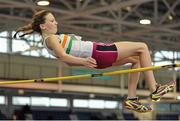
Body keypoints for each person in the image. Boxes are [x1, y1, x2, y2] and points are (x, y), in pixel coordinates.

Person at [14, 10, 176, 113]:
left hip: (97, 57)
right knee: (142, 47)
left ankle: (131, 99)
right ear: (43, 26)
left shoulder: (50, 42)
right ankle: (155, 89)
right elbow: (64, 57)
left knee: (137, 60)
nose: (55, 22)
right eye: (52, 20)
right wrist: (83, 62)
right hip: (99, 52)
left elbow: (68, 61)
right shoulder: (50, 39)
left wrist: (82, 62)